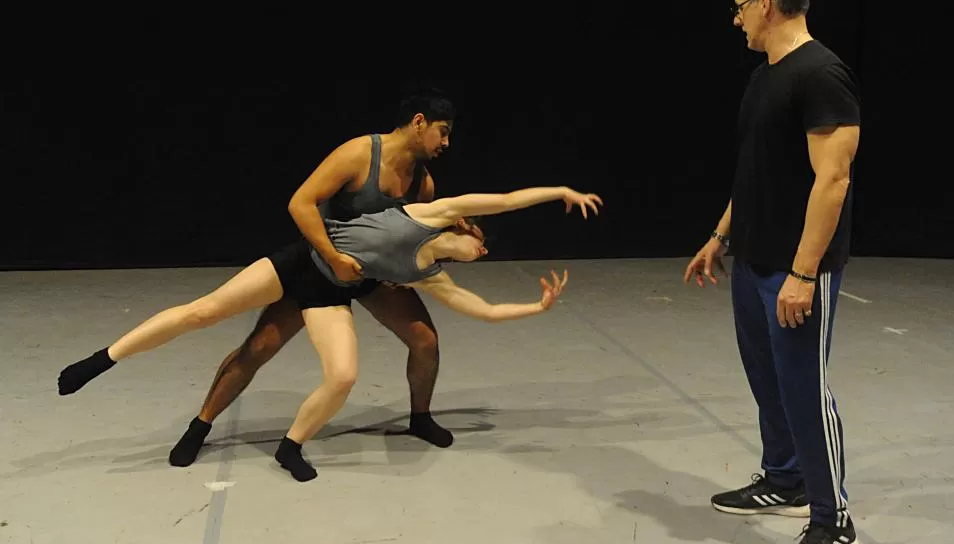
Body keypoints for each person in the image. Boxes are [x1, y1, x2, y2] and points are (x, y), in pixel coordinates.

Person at [56, 184, 601, 481]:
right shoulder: (433, 213)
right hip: (298, 263)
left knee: (342, 374)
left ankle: (290, 448)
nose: (486, 250)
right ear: (467, 230)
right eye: (485, 243)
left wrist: (536, 307)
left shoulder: (428, 276)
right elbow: (505, 201)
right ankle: (102, 360)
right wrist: (560, 192)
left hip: (331, 294)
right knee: (205, 312)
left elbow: (479, 309)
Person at [683, 0, 862, 544]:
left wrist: (804, 273)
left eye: (738, 7)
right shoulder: (766, 75)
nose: (735, 20)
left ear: (765, 3)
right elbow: (758, 170)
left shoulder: (821, 75)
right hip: (752, 257)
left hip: (796, 267)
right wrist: (720, 233)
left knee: (803, 388)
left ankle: (833, 519)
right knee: (768, 379)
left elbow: (832, 180)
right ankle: (785, 478)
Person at [172, 88, 455, 467]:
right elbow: (301, 203)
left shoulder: (424, 184)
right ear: (419, 123)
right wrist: (334, 258)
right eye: (443, 130)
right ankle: (200, 425)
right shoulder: (359, 153)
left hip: (367, 276)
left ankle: (420, 417)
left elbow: (413, 238)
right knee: (259, 348)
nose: (447, 142)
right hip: (321, 267)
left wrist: (414, 266)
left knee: (425, 340)